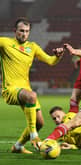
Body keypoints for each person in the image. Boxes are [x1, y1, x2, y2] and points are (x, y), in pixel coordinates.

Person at [0, 17, 63, 154]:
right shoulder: (4, 43)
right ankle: (34, 137)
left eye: (27, 31)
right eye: (21, 31)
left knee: (40, 123)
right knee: (32, 96)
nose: (24, 34)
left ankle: (18, 146)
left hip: (25, 90)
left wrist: (57, 56)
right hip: (10, 89)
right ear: (15, 31)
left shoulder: (32, 47)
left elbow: (50, 61)